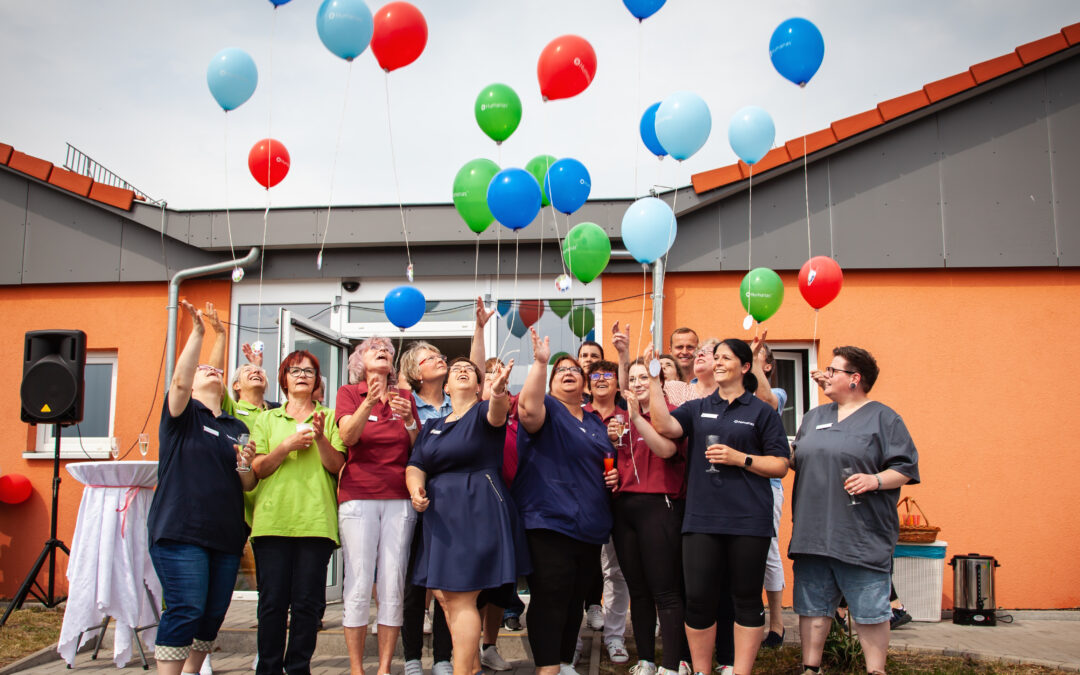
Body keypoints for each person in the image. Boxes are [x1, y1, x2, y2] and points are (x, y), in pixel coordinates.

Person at [646, 339, 790, 675]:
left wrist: (741, 459)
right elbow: (665, 426)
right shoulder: (697, 407)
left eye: (726, 357)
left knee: (746, 601)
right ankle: (701, 670)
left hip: (748, 520)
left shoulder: (761, 412)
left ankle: (740, 671)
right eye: (716, 357)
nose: (718, 361)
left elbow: (781, 465)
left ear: (744, 367)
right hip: (701, 520)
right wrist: (654, 381)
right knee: (698, 600)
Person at [789, 346, 920, 675]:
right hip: (813, 533)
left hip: (861, 535)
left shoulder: (883, 418)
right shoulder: (815, 417)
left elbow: (905, 468)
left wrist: (875, 480)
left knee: (870, 610)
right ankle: (811, 668)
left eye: (834, 371)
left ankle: (876, 671)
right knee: (813, 608)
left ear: (855, 379)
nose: (825, 375)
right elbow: (794, 458)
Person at [148, 301, 257, 675]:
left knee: (211, 615)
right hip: (182, 531)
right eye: (202, 369)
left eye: (216, 370)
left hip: (225, 537)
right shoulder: (181, 416)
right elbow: (180, 380)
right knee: (185, 608)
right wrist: (198, 332)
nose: (210, 370)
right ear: (192, 382)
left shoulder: (235, 426)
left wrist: (245, 463)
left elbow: (248, 482)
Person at [406, 357, 530, 675]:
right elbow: (416, 464)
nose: (463, 371)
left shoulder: (482, 413)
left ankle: (463, 671)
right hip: (440, 516)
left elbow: (497, 412)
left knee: (460, 597)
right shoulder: (432, 426)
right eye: (455, 370)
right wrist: (415, 488)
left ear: (478, 386)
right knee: (445, 596)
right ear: (445, 387)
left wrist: (499, 391)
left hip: (476, 508)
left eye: (470, 371)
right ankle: (471, 666)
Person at [514, 329, 613, 675]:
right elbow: (527, 410)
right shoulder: (547, 410)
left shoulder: (596, 423)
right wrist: (541, 363)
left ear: (585, 383)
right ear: (551, 383)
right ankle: (547, 667)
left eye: (574, 369)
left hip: (590, 526)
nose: (569, 372)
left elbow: (606, 463)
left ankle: (564, 660)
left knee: (575, 598)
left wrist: (611, 477)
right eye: (561, 371)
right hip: (548, 521)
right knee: (551, 595)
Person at [248, 349, 345, 675]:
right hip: (273, 523)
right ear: (284, 380)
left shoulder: (329, 418)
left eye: (309, 370)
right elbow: (258, 469)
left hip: (315, 523)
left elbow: (337, 466)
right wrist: (285, 446)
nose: (302, 374)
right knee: (272, 604)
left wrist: (319, 439)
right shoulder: (266, 419)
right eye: (294, 370)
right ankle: (269, 668)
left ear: (317, 380)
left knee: (306, 605)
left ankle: (299, 667)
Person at [335, 337, 420, 675]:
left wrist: (411, 422)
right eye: (375, 349)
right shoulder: (348, 393)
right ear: (360, 361)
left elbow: (416, 449)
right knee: (358, 580)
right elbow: (348, 437)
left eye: (387, 349)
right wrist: (368, 403)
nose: (384, 351)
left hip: (399, 499)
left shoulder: (405, 397)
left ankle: (384, 668)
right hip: (358, 496)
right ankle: (357, 668)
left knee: (393, 580)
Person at [609, 358, 687, 675]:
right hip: (625, 507)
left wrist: (637, 419)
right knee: (637, 589)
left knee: (665, 589)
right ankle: (645, 659)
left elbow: (666, 450)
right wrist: (614, 440)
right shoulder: (621, 419)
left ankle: (673, 662)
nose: (639, 383)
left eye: (646, 377)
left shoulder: (670, 414)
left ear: (659, 381)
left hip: (659, 505)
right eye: (634, 378)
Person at [398, 340, 455, 675]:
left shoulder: (458, 404)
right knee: (414, 585)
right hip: (416, 499)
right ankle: (412, 658)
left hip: (452, 503)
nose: (439, 360)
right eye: (430, 358)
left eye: (440, 356)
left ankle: (445, 657)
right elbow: (408, 454)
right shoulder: (406, 405)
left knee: (449, 582)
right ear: (414, 372)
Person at [580, 360, 630, 665]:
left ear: (617, 384)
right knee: (578, 574)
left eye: (607, 375)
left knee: (616, 573)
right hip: (584, 504)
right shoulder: (576, 415)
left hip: (619, 504)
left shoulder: (628, 416)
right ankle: (569, 643)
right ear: (588, 384)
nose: (600, 379)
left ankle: (615, 637)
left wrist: (619, 471)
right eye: (595, 376)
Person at [748, 333, 788, 647]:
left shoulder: (776, 391)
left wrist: (754, 364)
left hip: (768, 485)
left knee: (769, 552)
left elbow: (768, 402)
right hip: (740, 485)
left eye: (758, 359)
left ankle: (777, 623)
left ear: (769, 366)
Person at [663, 339, 720, 408]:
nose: (700, 354)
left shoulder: (730, 397)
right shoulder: (674, 388)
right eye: (699, 352)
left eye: (708, 351)